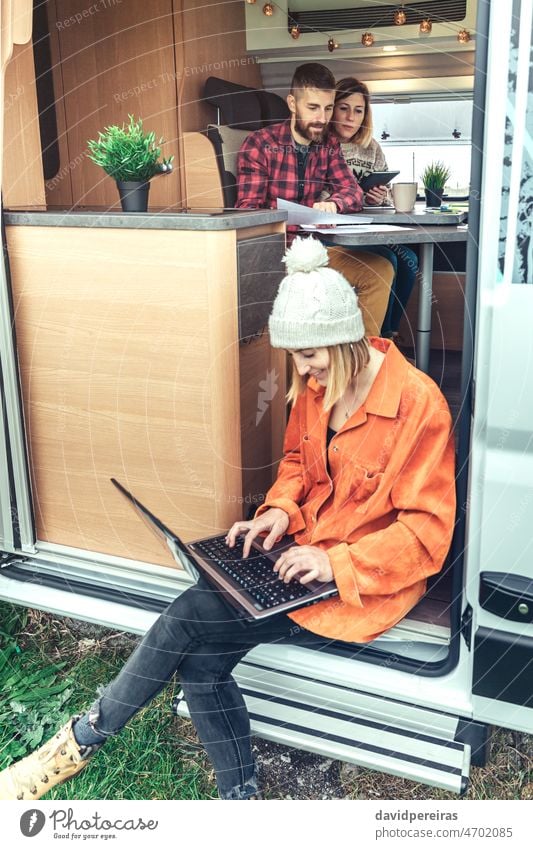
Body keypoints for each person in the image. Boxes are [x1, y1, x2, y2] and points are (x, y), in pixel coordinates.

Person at [0, 238, 456, 803]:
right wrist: (277, 514)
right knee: (202, 665)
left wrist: (332, 561)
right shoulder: (320, 383)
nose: (303, 372)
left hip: (359, 582)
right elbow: (296, 463)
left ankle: (79, 742)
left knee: (192, 613)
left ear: (348, 340)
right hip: (297, 555)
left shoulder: (420, 404)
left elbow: (427, 534)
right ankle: (239, 801)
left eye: (311, 356)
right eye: (294, 356)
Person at [236, 62, 395, 338]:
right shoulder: (259, 144)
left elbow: (353, 192)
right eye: (313, 108)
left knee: (381, 269)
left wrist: (334, 204)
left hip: (314, 249)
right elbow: (248, 214)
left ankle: (362, 362)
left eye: (328, 107)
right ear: (292, 104)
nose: (322, 118)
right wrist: (288, 217)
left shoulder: (328, 145)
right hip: (275, 253)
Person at [330, 77, 419, 340]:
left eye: (358, 110)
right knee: (389, 259)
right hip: (335, 233)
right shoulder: (324, 147)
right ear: (332, 108)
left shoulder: (372, 148)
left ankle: (389, 333)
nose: (350, 117)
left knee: (410, 260)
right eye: (343, 108)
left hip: (365, 228)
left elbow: (383, 196)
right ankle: (378, 339)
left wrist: (377, 198)